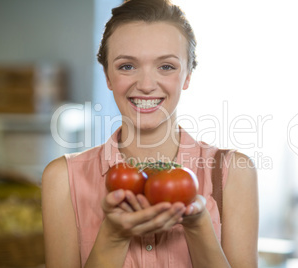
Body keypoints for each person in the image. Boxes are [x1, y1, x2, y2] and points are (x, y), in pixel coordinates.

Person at [41, 0, 259, 267]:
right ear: (108, 76)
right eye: (127, 66)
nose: (145, 85)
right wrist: (114, 236)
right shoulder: (62, 179)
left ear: (187, 75)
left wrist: (198, 227)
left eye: (166, 66)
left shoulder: (233, 172)